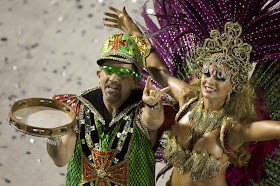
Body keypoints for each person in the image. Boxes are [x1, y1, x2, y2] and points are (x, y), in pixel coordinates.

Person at [103, 2, 280, 186]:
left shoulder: (233, 128)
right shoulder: (187, 100)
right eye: (206, 72)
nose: (210, 81)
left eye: (220, 76)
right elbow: (159, 72)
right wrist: (133, 32)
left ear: (234, 84)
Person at [46, 32, 172, 186]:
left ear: (135, 81)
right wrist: (52, 136)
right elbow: (61, 159)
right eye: (109, 69)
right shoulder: (78, 109)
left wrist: (152, 105)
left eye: (123, 72)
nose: (113, 77)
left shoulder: (141, 110)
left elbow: (153, 121)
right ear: (99, 75)